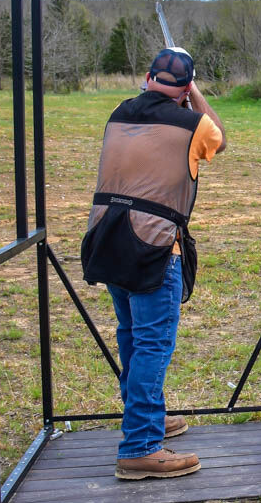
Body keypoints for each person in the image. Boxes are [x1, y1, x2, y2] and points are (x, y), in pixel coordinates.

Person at [81, 47, 226, 480]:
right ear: (185, 88)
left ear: (147, 78)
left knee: (131, 337)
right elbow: (220, 136)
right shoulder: (192, 123)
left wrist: (178, 93)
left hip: (108, 239)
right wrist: (194, 94)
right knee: (152, 345)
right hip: (154, 247)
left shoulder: (119, 114)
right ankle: (141, 445)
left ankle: (147, 418)